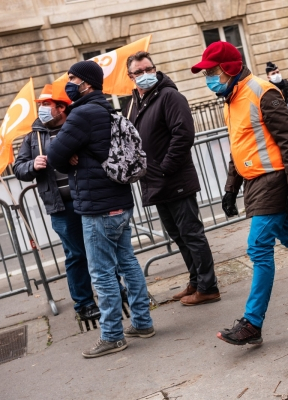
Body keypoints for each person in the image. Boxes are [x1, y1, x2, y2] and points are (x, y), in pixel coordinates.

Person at [191, 41, 288, 346]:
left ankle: (252, 323)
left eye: (212, 71)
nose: (208, 79)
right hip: (254, 182)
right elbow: (238, 147)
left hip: (274, 180)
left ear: (228, 69)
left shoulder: (262, 91)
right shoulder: (230, 100)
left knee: (258, 247)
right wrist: (231, 188)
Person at [47, 61, 154, 358]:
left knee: (102, 274)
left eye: (73, 78)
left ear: (87, 83)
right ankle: (143, 322)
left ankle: (112, 335)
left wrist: (69, 155)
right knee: (128, 263)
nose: (69, 83)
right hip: (119, 201)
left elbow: (55, 155)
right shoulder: (105, 109)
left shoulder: (81, 114)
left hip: (97, 206)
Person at [125, 51, 220, 306]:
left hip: (174, 179)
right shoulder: (135, 101)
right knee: (178, 235)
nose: (145, 75)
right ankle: (196, 280)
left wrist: (166, 167)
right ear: (130, 77)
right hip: (155, 181)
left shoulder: (169, 96)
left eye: (149, 69)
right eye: (139, 72)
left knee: (192, 234)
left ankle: (208, 286)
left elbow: (183, 135)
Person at [14, 83, 102, 321]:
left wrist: (79, 156)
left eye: (46, 104)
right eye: (40, 105)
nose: (41, 109)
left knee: (102, 249)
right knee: (75, 254)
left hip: (89, 198)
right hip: (61, 207)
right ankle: (84, 304)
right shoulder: (33, 136)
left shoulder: (78, 125)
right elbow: (18, 167)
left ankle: (115, 293)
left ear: (61, 107)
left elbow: (98, 151)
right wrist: (32, 165)